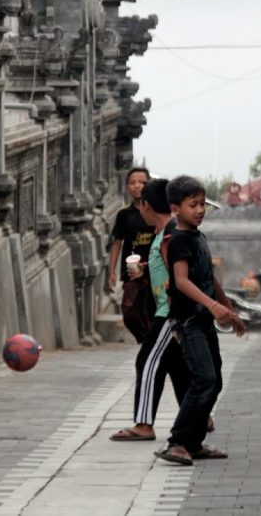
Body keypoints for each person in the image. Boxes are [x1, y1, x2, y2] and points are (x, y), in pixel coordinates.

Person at [155, 175, 246, 466]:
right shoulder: (178, 239)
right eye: (192, 205)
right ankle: (177, 442)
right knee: (203, 379)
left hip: (204, 320)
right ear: (175, 209)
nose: (200, 210)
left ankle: (193, 444)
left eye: (202, 204)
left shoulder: (198, 237)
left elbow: (210, 277)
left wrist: (227, 309)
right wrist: (211, 306)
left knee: (215, 381)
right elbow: (181, 282)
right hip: (188, 322)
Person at [110, 179, 189, 441]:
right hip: (168, 311)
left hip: (169, 313)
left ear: (145, 204)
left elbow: (180, 273)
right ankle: (198, 415)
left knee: (147, 361)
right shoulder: (161, 232)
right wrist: (146, 269)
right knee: (177, 367)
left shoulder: (169, 234)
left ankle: (144, 424)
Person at [109, 167, 155, 343]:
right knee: (129, 312)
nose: (137, 186)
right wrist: (112, 272)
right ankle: (146, 339)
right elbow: (117, 242)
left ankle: (153, 342)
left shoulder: (155, 212)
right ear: (127, 186)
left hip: (154, 271)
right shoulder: (124, 214)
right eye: (132, 182)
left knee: (151, 309)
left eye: (142, 182)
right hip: (131, 272)